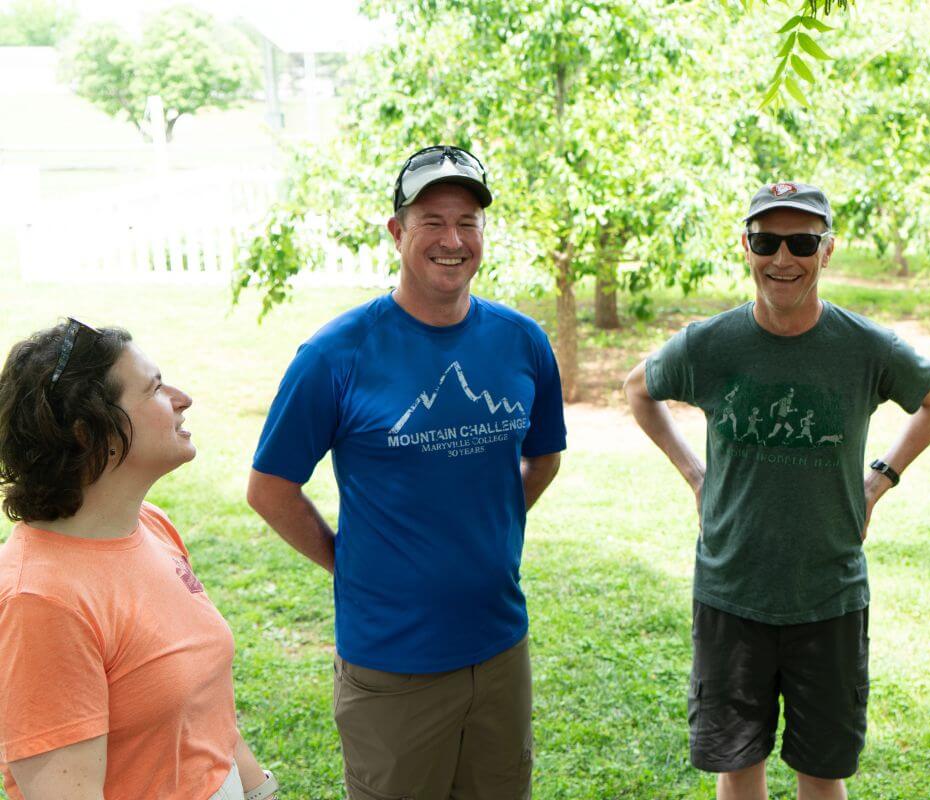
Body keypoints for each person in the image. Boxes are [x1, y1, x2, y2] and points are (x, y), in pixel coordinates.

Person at [246, 144, 566, 800]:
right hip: (392, 663)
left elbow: (545, 457)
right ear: (397, 232)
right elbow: (270, 487)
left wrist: (485, 523)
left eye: (468, 222)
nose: (453, 240)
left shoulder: (522, 342)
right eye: (432, 221)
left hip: (501, 648)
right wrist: (355, 561)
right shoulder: (335, 355)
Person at [624, 181, 930, 800]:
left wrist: (880, 480)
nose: (783, 259)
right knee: (737, 764)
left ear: (827, 251)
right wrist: (694, 474)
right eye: (766, 240)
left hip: (828, 597)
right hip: (731, 592)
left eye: (802, 241)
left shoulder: (865, 347)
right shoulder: (710, 344)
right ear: (745, 246)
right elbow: (638, 389)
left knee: (823, 772)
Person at [0, 320, 278, 800]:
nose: (182, 397)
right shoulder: (40, 602)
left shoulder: (150, 524)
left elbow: (207, 711)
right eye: (153, 389)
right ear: (91, 433)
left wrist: (258, 790)